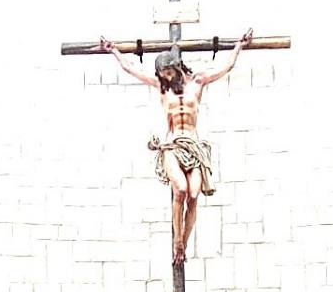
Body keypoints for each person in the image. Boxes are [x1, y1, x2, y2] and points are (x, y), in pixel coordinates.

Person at [99, 31, 253, 264]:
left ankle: (185, 243)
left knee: (193, 194)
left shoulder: (198, 82)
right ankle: (177, 242)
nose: (166, 77)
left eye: (168, 72)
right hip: (172, 145)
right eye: (162, 74)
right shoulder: (162, 88)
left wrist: (239, 46)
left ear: (177, 67)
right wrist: (114, 51)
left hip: (193, 145)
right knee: (180, 189)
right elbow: (132, 69)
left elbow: (226, 67)